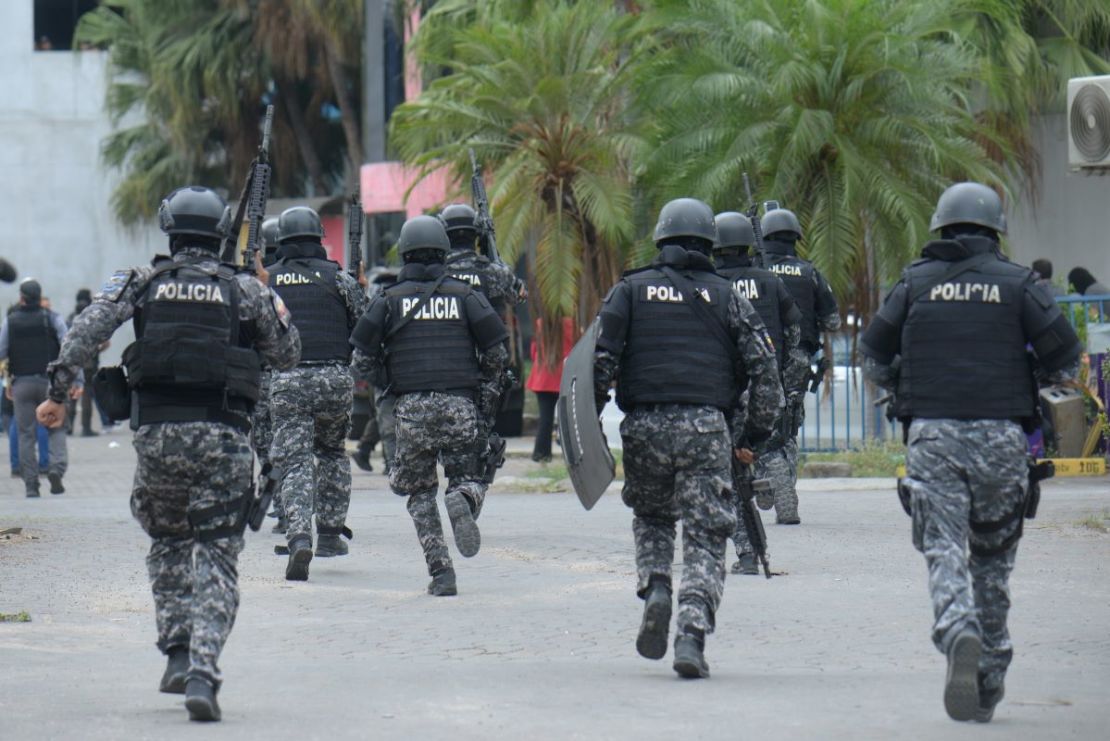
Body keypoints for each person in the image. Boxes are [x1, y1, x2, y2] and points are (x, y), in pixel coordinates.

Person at [36, 186, 299, 721]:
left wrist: (58, 394)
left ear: (169, 229)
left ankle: (176, 651)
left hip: (157, 436)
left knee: (168, 544)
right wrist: (270, 295)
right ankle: (204, 670)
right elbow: (287, 355)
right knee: (219, 554)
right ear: (220, 230)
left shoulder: (142, 280)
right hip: (224, 434)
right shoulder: (244, 287)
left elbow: (88, 330)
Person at [860, 182, 1081, 723]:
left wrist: (897, 388)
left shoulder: (913, 283)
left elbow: (872, 354)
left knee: (944, 548)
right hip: (1003, 438)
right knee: (993, 560)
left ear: (941, 227)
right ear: (994, 232)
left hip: (933, 436)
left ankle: (957, 628)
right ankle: (990, 675)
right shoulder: (1019, 283)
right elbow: (1065, 361)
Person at [592, 198, 783, 679]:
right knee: (705, 534)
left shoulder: (630, 290)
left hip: (644, 428)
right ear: (710, 246)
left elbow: (597, 364)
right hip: (706, 428)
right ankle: (691, 633)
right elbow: (766, 372)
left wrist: (590, 425)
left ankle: (656, 586)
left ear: (660, 240)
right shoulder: (727, 295)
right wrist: (752, 435)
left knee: (654, 518)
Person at [350, 215, 508, 596]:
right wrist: (482, 397)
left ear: (404, 252)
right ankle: (464, 497)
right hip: (460, 405)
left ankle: (441, 572)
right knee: (470, 475)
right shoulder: (466, 296)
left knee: (420, 493)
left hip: (411, 411)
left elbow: (361, 362)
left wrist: (388, 382)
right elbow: (497, 355)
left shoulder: (386, 300)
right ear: (443, 251)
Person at [267, 206, 368, 579]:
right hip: (334, 379)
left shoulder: (268, 280)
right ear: (318, 238)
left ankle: (298, 538)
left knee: (294, 462)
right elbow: (365, 324)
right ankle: (329, 534)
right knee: (331, 454)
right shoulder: (338, 278)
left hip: (288, 378)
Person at [713, 211, 805, 573]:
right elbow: (794, 329)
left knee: (728, 462)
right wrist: (781, 369)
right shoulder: (769, 281)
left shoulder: (712, 283)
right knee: (770, 444)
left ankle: (740, 544)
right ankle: (777, 493)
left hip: (725, 387)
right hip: (766, 380)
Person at [760, 207, 840, 524]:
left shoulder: (754, 270)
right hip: (797, 356)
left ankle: (760, 477)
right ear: (796, 238)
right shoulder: (810, 273)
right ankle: (784, 490)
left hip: (757, 355)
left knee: (751, 418)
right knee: (787, 425)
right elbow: (833, 321)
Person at [440, 203, 527, 488]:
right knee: (482, 429)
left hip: (448, 365)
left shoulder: (437, 273)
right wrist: (493, 256)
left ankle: (459, 485)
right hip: (489, 365)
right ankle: (471, 488)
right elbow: (519, 296)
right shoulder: (494, 272)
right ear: (476, 235)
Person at [0, 279, 75, 496]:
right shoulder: (52, 318)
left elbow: (1, 351)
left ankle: (31, 484)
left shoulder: (10, 321)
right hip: (50, 384)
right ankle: (56, 470)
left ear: (21, 298)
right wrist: (73, 380)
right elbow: (68, 345)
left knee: (25, 434)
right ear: (40, 296)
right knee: (56, 427)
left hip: (21, 384)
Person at [252, 217, 284, 532]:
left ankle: (282, 504)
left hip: (263, 376)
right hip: (294, 371)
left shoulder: (257, 280)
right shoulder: (294, 274)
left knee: (265, 443)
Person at [525, 317, 575, 462]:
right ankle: (570, 454)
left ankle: (541, 453)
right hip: (563, 374)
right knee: (567, 418)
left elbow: (534, 350)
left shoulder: (541, 322)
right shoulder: (571, 324)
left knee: (545, 418)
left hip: (543, 376)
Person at [66, 288, 111, 436]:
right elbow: (104, 342)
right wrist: (95, 349)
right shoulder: (94, 317)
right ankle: (86, 428)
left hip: (73, 361)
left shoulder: (71, 317)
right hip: (89, 362)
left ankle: (69, 426)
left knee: (72, 393)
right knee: (87, 394)